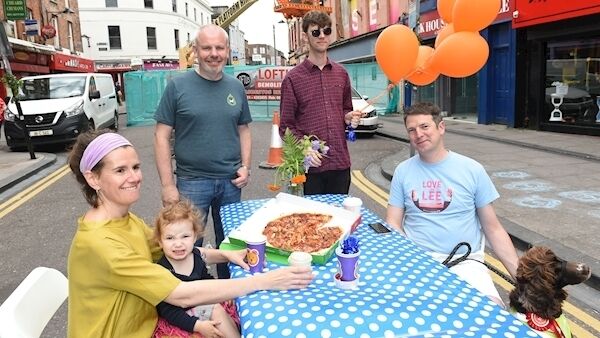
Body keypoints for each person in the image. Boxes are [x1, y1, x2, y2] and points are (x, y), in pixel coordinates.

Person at [67, 129, 313, 337]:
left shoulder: (124, 219)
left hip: (146, 324)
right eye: (120, 170)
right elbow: (180, 295)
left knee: (226, 313)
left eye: (136, 167)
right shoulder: (100, 243)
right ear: (93, 179)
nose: (134, 177)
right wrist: (264, 281)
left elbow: (182, 251)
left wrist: (227, 255)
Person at [385, 102, 519, 306]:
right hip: (418, 262)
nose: (418, 134)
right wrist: (411, 257)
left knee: (493, 314)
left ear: (441, 127)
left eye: (424, 126)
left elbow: (493, 229)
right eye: (412, 130)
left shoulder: (472, 169)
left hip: (465, 262)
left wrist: (524, 280)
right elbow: (393, 223)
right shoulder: (402, 171)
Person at [154, 24, 251, 279]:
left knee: (230, 246)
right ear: (195, 51)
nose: (213, 53)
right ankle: (189, 308)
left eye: (219, 47)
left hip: (231, 182)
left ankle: (229, 300)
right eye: (206, 47)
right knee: (185, 248)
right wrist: (167, 185)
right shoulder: (177, 86)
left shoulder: (236, 87)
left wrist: (246, 166)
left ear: (227, 50)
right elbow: (161, 136)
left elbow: (244, 130)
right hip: (191, 182)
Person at [279, 10, 362, 195]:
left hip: (340, 164)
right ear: (305, 36)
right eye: (316, 32)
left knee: (338, 220)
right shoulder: (293, 79)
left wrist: (348, 117)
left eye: (327, 31)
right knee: (311, 222)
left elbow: (345, 110)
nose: (322, 36)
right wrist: (305, 148)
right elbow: (286, 127)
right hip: (310, 169)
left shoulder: (341, 73)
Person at [153, 199, 240, 338]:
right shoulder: (162, 270)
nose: (178, 244)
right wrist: (197, 325)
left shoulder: (196, 256)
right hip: (181, 319)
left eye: (185, 236)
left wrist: (221, 293)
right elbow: (168, 311)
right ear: (160, 241)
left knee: (231, 308)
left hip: (200, 306)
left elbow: (205, 279)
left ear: (194, 237)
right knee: (216, 310)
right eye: (170, 238)